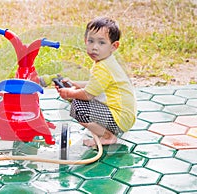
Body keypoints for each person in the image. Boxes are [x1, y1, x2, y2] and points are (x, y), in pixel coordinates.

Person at [56, 16, 137, 147]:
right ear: (85, 41)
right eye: (91, 41)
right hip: (123, 116)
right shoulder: (106, 62)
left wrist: (69, 93)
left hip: (120, 119)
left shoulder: (104, 67)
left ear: (114, 46)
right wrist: (74, 84)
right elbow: (95, 85)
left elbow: (88, 95)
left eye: (101, 43)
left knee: (78, 106)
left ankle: (108, 136)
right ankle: (106, 130)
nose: (94, 47)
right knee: (77, 98)